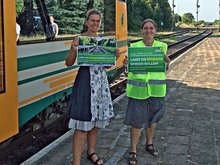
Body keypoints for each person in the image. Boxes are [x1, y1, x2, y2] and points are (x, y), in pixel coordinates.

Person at [65, 9, 119, 165]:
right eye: (92, 20)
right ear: (87, 22)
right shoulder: (79, 39)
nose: (95, 23)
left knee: (96, 123)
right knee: (82, 124)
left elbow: (107, 66)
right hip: (85, 83)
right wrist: (74, 49)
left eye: (97, 21)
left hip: (100, 84)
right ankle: (76, 162)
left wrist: (113, 57)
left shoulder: (103, 41)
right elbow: (68, 63)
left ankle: (91, 151)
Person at [123, 19, 170, 165]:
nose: (148, 31)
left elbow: (163, 68)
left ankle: (149, 144)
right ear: (142, 30)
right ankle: (133, 150)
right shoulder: (134, 47)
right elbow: (128, 69)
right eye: (145, 28)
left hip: (156, 90)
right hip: (138, 91)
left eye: (151, 28)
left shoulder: (162, 47)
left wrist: (167, 63)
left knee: (152, 120)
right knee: (136, 122)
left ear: (155, 30)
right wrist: (126, 64)